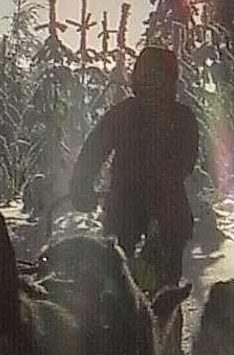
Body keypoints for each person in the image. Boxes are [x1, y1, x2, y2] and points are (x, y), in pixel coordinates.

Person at [67, 46, 201, 296]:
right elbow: (94, 149)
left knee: (164, 288)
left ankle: (162, 327)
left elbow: (185, 161)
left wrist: (154, 185)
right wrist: (81, 184)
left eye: (157, 76)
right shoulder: (124, 113)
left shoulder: (182, 118)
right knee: (115, 278)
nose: (151, 82)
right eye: (146, 75)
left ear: (169, 79)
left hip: (167, 213)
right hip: (125, 209)